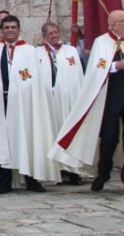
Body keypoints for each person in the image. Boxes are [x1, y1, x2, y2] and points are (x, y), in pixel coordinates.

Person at [51, 10, 124, 197]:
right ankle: (103, 173)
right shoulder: (101, 42)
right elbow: (96, 69)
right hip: (110, 99)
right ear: (113, 24)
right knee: (109, 140)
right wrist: (115, 66)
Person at [0, 14, 57, 193]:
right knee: (4, 140)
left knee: (27, 138)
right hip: (1, 102)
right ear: (1, 31)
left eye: (13, 27)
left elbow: (36, 79)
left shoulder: (30, 51)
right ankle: (5, 181)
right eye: (7, 28)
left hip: (25, 104)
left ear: (19, 30)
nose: (10, 30)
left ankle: (31, 179)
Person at [37, 20, 85, 184]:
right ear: (44, 37)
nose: (55, 35)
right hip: (50, 101)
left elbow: (78, 74)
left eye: (56, 32)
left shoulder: (70, 51)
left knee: (69, 134)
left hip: (69, 100)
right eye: (51, 33)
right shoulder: (38, 54)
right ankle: (54, 169)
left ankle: (73, 170)